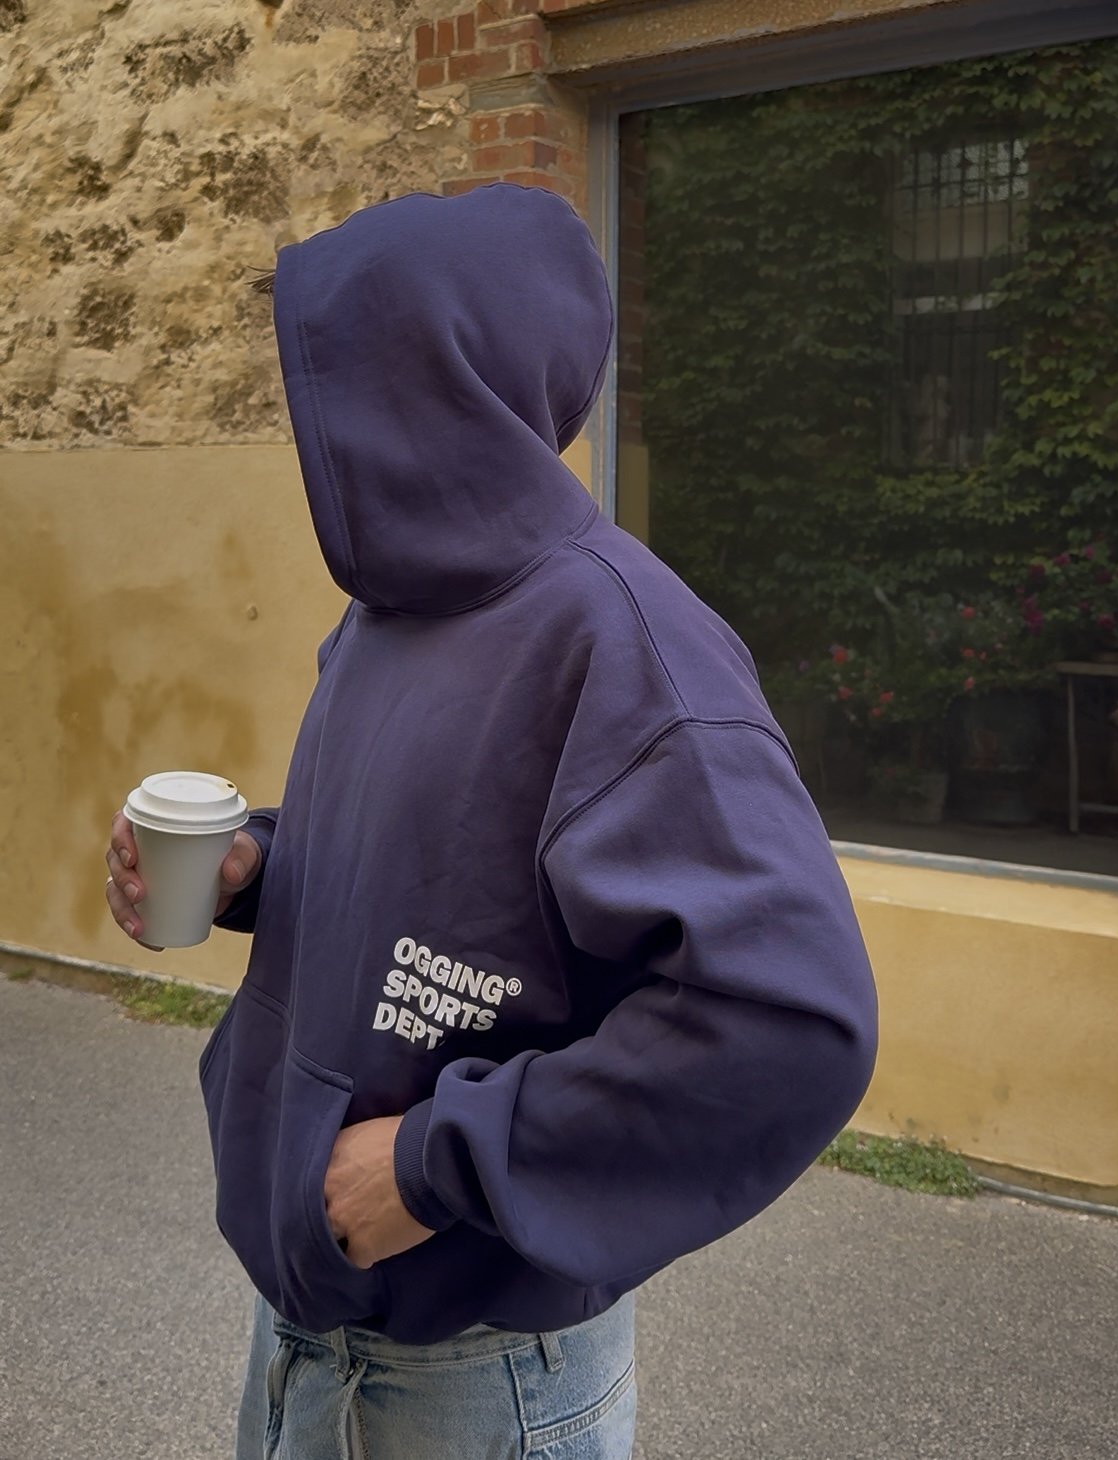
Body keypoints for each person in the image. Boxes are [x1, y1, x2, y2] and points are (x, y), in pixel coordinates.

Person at [105, 184, 877, 1460]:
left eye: (356, 366)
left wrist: (430, 1165)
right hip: (300, 1329)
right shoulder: (382, 616)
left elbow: (788, 1022)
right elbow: (439, 859)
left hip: (480, 1379)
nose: (320, 413)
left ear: (450, 374)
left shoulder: (626, 645)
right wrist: (254, 865)